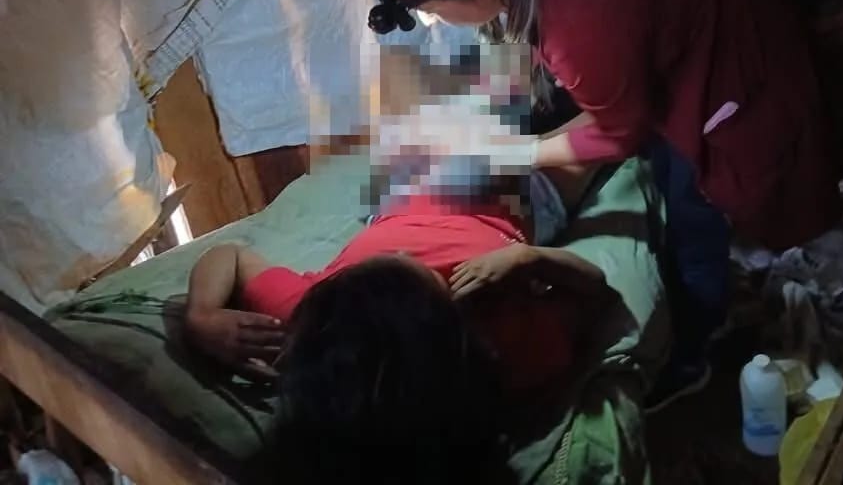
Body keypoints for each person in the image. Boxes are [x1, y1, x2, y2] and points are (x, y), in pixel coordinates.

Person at [369, 0, 842, 411]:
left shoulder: (579, 14)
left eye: (427, 8)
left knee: (692, 219)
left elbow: (621, 134)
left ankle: (694, 352)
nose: (430, 18)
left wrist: (518, 153)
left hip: (738, 78)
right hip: (706, 24)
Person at [184, 163, 609, 485]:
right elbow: (595, 290)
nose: (404, 253)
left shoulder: (322, 317)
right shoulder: (494, 329)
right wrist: (531, 258)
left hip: (403, 196)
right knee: (604, 127)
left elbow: (228, 254)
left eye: (384, 262)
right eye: (408, 269)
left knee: (481, 101)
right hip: (507, 199)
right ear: (442, 321)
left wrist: (202, 316)